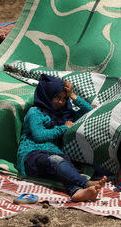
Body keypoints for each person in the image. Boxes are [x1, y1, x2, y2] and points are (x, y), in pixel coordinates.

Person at [17, 74, 106, 202]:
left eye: (64, 98)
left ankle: (76, 192)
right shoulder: (35, 112)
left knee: (63, 166)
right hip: (31, 155)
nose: (61, 102)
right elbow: (39, 136)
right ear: (47, 95)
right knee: (56, 161)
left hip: (55, 154)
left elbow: (90, 112)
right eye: (57, 97)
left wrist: (72, 95)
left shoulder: (63, 114)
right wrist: (63, 128)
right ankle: (86, 183)